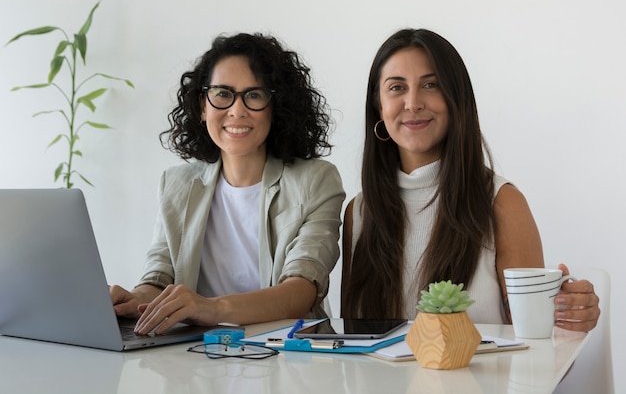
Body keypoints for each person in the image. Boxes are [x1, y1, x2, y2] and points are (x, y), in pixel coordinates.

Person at [341, 28, 600, 332]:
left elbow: (539, 345)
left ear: (456, 99)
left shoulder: (501, 203)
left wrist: (571, 317)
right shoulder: (358, 212)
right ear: (378, 106)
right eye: (396, 88)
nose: (412, 103)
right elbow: (353, 343)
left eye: (431, 84)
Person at [110, 33, 345, 335]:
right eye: (222, 94)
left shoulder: (316, 180)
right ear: (203, 106)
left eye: (254, 95)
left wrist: (212, 308)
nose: (237, 110)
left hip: (284, 359)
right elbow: (159, 278)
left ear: (277, 107)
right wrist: (131, 301)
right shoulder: (176, 184)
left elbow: (301, 290)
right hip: (193, 360)